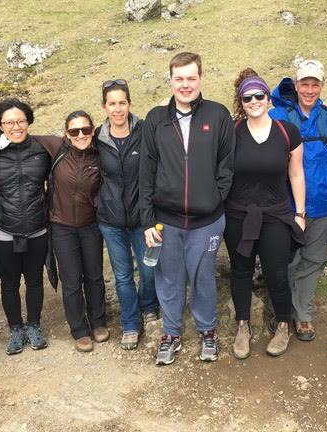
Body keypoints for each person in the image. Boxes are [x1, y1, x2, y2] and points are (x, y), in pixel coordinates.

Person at [139, 52, 235, 365]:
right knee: (169, 278)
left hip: (207, 220)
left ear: (200, 79)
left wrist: (213, 198)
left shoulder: (218, 115)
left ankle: (208, 331)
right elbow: (146, 171)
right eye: (179, 79)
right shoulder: (155, 118)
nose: (185, 85)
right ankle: (171, 334)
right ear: (170, 81)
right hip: (166, 220)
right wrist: (147, 220)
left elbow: (227, 165)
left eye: (191, 78)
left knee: (203, 276)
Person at [225, 74, 305, 359]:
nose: (254, 101)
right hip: (238, 214)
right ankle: (243, 327)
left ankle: (283, 325)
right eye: (248, 97)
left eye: (259, 95)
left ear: (269, 98)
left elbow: (296, 173)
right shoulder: (232, 133)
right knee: (241, 271)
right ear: (242, 102)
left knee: (277, 273)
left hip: (275, 214)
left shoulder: (287, 132)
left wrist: (300, 213)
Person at [269, 60, 327, 341]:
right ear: (296, 85)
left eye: (315, 84)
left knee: (314, 259)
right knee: (283, 260)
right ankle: (280, 311)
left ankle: (302, 313)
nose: (310, 89)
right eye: (305, 84)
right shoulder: (277, 115)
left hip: (324, 202)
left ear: (321, 86)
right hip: (285, 204)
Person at [95, 79, 159, 351]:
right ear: (104, 106)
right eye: (112, 103)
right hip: (111, 221)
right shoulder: (97, 137)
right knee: (122, 276)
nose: (118, 108)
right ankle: (130, 323)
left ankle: (149, 309)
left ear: (130, 104)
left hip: (143, 219)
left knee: (148, 271)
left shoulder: (146, 131)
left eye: (122, 102)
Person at [36, 110, 107, 352]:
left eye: (86, 130)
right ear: (66, 134)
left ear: (92, 130)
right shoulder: (56, 147)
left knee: (94, 276)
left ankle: (98, 322)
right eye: (74, 131)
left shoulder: (100, 152)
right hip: (62, 226)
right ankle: (79, 330)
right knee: (71, 280)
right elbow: (20, 134)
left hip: (91, 224)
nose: (80, 135)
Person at [0, 98, 51, 355]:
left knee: (35, 280)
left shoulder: (41, 149)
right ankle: (16, 329)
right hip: (4, 228)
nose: (16, 126)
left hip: (37, 226)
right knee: (9, 283)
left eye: (21, 120)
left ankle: (33, 326)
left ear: (29, 121)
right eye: (9, 122)